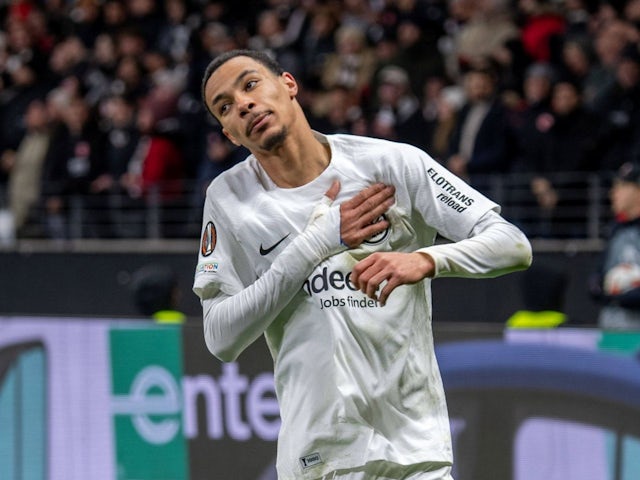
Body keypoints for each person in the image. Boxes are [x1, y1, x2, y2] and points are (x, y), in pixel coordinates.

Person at [193, 49, 532, 480]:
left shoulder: (390, 163)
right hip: (320, 461)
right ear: (230, 134)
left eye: (250, 84)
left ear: (288, 84)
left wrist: (426, 260)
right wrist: (317, 242)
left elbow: (512, 243)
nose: (242, 103)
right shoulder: (228, 199)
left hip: (415, 454)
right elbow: (220, 337)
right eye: (225, 107)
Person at [589, 161, 640, 330]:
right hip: (612, 329)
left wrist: (626, 296)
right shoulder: (614, 230)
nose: (613, 193)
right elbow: (598, 276)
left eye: (621, 187)